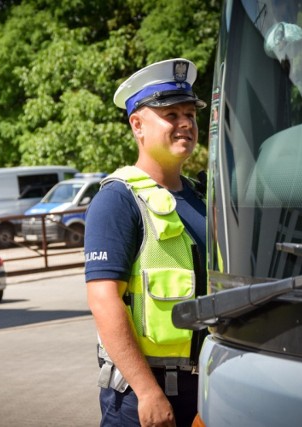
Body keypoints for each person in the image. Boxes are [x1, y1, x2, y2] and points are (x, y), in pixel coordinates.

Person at [85, 58, 208, 427]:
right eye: (171, 114)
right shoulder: (118, 199)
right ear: (137, 125)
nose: (185, 123)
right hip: (142, 397)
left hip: (205, 391)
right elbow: (104, 300)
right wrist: (147, 391)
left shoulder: (202, 199)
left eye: (190, 114)